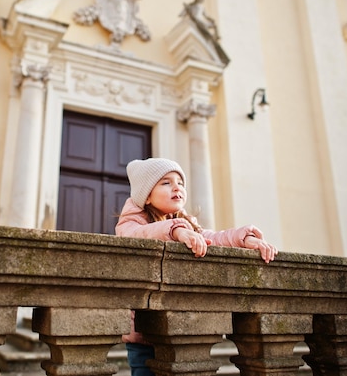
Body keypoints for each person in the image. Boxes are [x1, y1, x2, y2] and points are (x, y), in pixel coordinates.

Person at [115, 157, 278, 376]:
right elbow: (136, 235)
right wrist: (176, 231)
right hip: (145, 334)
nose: (177, 187)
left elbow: (213, 237)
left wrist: (245, 239)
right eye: (165, 182)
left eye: (180, 182)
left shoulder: (187, 222)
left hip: (180, 327)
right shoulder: (132, 223)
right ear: (146, 196)